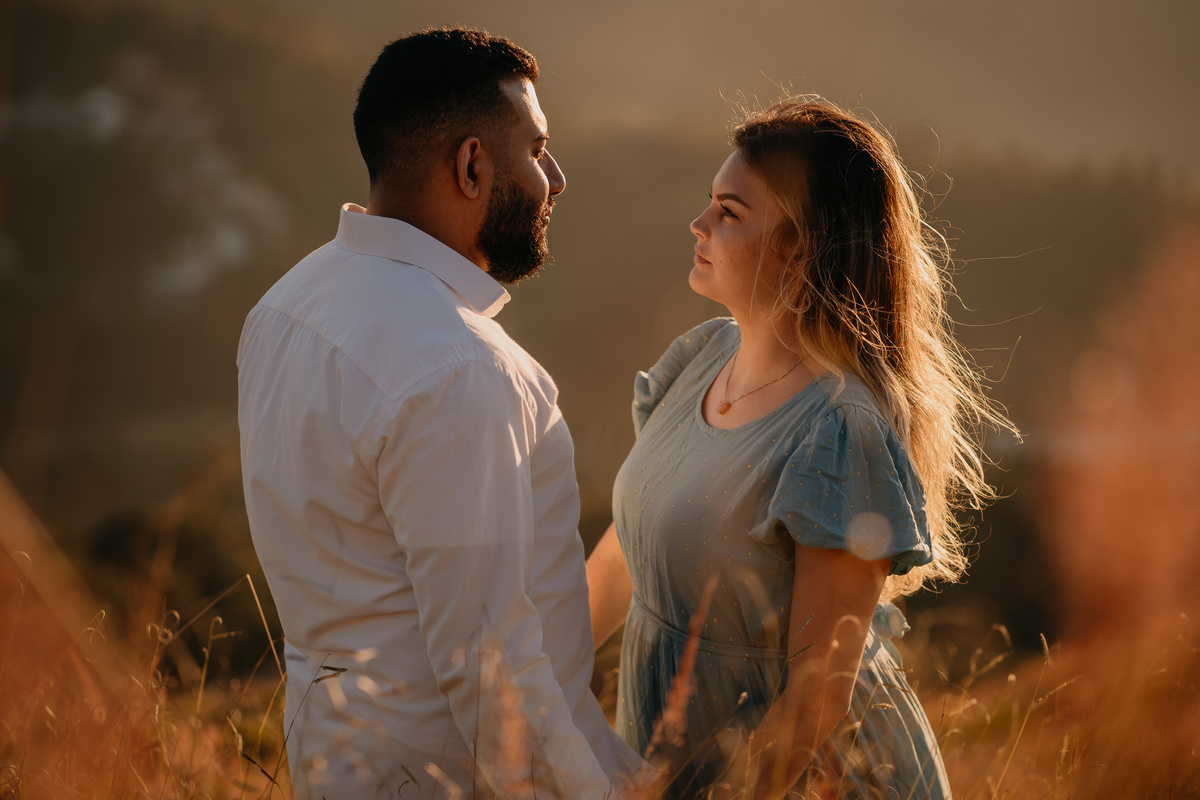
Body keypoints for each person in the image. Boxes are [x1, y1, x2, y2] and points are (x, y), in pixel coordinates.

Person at [238, 28, 643, 800]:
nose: (556, 177)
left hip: (331, 758)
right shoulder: (458, 367)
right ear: (471, 165)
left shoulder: (285, 305)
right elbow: (492, 667)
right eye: (537, 150)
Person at [587, 97, 1014, 799]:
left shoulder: (842, 431)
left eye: (729, 212)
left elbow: (817, 705)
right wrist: (523, 691)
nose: (698, 225)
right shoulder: (700, 357)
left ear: (801, 245)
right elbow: (625, 555)